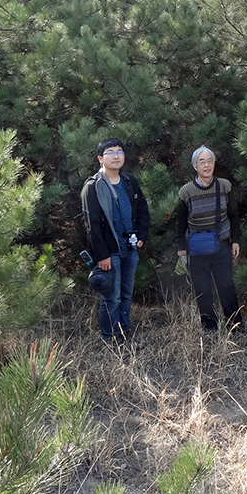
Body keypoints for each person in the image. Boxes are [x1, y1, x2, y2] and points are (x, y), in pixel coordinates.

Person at [80, 138, 150, 343]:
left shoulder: (129, 182)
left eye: (120, 151)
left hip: (130, 248)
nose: (117, 156)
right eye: (111, 152)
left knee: (127, 293)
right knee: (112, 297)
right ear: (100, 158)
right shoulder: (92, 187)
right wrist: (102, 255)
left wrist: (141, 236)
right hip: (111, 252)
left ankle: (123, 330)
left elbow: (143, 210)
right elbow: (91, 225)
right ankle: (110, 337)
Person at [175, 146, 243, 332]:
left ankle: (235, 327)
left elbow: (234, 216)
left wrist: (235, 240)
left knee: (227, 287)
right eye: (202, 162)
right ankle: (210, 328)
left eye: (210, 161)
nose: (207, 165)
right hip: (196, 248)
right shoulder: (186, 192)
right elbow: (180, 223)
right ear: (194, 166)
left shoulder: (224, 186)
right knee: (202, 290)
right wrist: (182, 250)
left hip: (222, 245)